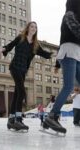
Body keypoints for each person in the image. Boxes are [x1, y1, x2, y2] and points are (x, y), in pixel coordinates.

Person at [0, 22, 52, 131]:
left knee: (17, 93)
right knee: (22, 92)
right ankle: (18, 119)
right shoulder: (20, 38)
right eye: (32, 26)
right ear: (28, 28)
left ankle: (11, 119)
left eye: (35, 27)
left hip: (23, 70)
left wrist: (56, 54)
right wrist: (2, 50)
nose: (33, 28)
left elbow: (45, 54)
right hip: (15, 67)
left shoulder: (35, 45)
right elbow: (10, 45)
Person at [44, 0, 80, 133]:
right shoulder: (69, 15)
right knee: (69, 86)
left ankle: (50, 119)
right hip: (69, 52)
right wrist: (57, 63)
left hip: (76, 54)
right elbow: (76, 30)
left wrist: (57, 64)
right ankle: (52, 116)